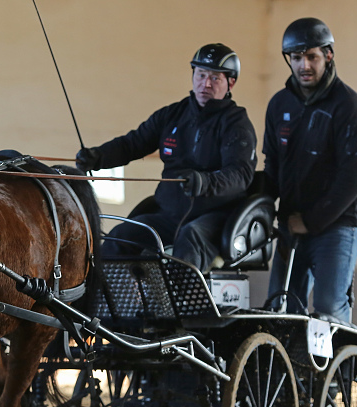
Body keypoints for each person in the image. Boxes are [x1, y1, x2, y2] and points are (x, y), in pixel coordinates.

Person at [76, 44, 257, 273]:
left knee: (190, 237)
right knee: (121, 237)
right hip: (168, 216)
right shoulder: (172, 114)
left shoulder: (237, 124)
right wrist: (98, 157)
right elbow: (133, 143)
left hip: (214, 220)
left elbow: (240, 175)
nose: (206, 84)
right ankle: (106, 305)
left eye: (215, 78)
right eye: (200, 75)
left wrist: (206, 182)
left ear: (230, 83)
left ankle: (181, 307)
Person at [263, 17, 357, 322]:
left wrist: (310, 222)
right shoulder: (278, 105)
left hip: (338, 226)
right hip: (291, 224)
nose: (304, 66)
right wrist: (259, 210)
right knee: (282, 309)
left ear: (328, 55)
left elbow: (354, 176)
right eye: (297, 58)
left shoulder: (350, 107)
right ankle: (294, 371)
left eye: (312, 56)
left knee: (328, 309)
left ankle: (339, 370)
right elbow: (271, 165)